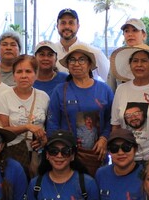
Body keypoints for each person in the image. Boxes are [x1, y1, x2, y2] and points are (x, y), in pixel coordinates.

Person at [46, 45, 113, 177]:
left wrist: (104, 139)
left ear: (89, 64)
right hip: (67, 156)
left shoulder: (104, 89)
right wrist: (59, 150)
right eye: (72, 60)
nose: (76, 64)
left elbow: (112, 119)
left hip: (97, 155)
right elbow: (52, 123)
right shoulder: (60, 90)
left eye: (81, 60)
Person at [110, 46, 149, 159]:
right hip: (127, 157)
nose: (139, 65)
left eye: (144, 61)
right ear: (130, 65)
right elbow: (116, 126)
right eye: (135, 61)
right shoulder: (121, 89)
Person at [0, 54, 50, 175]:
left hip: (38, 154)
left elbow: (49, 127)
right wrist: (27, 127)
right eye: (19, 71)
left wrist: (44, 139)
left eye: (28, 71)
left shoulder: (44, 97)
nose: (23, 76)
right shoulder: (4, 97)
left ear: (36, 74)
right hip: (14, 153)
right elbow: (3, 131)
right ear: (14, 75)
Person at [49, 8, 110, 81]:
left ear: (78, 26)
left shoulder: (94, 53)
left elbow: (110, 80)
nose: (67, 26)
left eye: (71, 23)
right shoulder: (49, 53)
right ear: (57, 26)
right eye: (63, 23)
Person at [107, 18, 149, 91]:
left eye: (135, 30)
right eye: (126, 31)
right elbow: (110, 89)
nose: (130, 34)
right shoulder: (117, 60)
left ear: (144, 35)